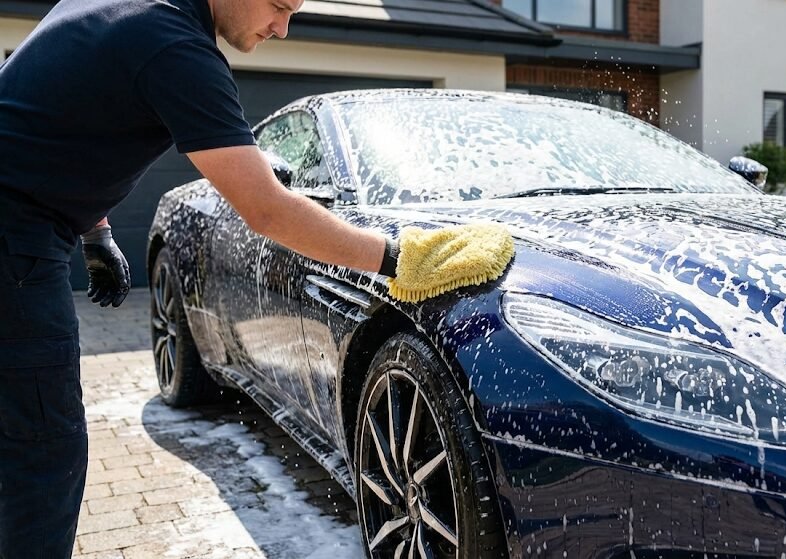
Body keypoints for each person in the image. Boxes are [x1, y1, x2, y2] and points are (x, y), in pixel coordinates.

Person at [0, 0, 484, 555]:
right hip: (14, 234)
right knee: (41, 452)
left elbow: (55, 120)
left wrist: (94, 230)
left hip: (26, 222)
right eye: (279, 6)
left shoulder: (127, 11)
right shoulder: (175, 45)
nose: (282, 27)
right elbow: (269, 210)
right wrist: (398, 260)